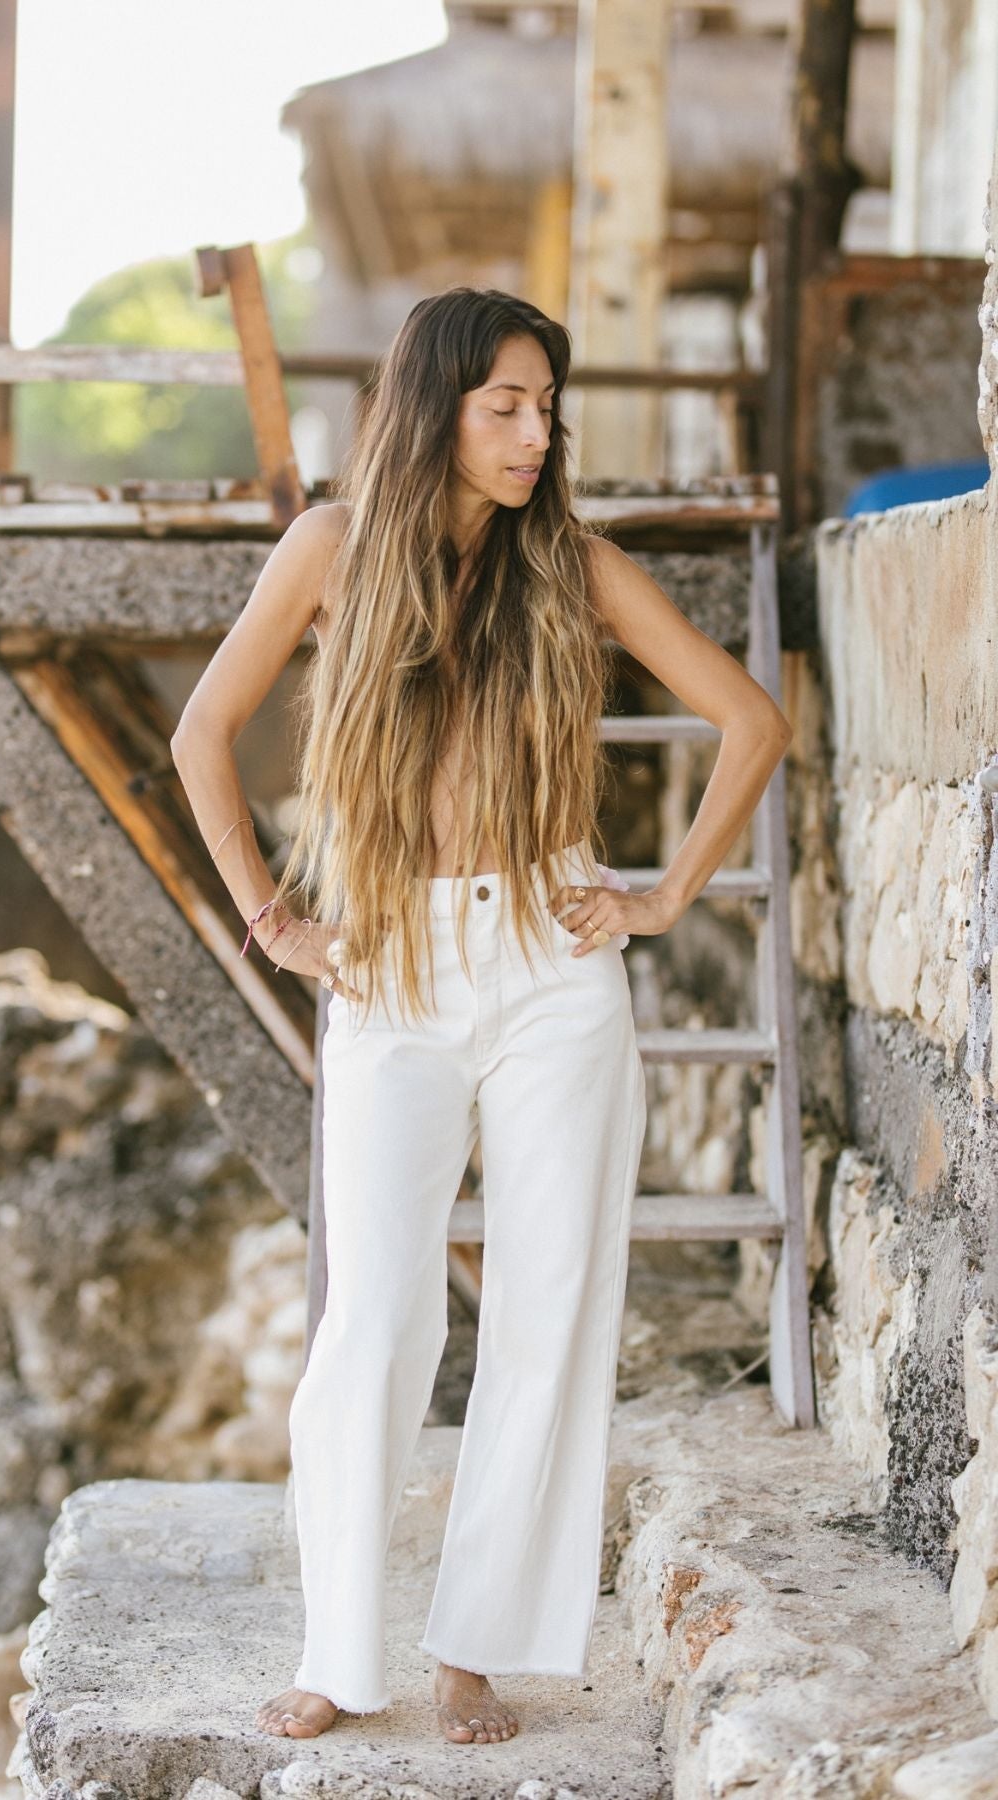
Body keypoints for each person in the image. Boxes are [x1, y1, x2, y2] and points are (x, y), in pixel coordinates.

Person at [169, 287, 791, 1747]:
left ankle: (474, 1648)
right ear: (434, 403)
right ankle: (340, 1653)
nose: (534, 433)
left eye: (546, 408)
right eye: (505, 405)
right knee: (374, 1318)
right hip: (388, 960)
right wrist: (275, 920)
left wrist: (660, 897)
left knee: (545, 1312)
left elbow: (752, 722)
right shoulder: (331, 548)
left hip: (552, 958)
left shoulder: (566, 562)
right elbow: (203, 733)